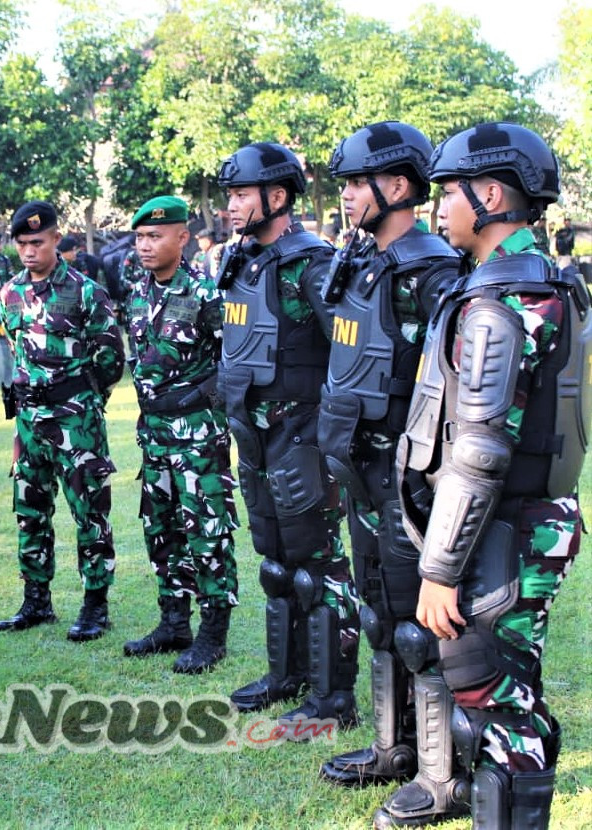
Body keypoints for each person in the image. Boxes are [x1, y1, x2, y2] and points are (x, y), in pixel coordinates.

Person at [398, 122, 588, 830]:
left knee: (492, 704)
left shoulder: (498, 304)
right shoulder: (544, 281)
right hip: (528, 518)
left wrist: (440, 568)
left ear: (491, 194)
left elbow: (479, 452)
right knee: (513, 700)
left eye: (449, 192)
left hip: (503, 526)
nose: (439, 206)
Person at [314, 123, 469, 826]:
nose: (345, 196)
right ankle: (392, 748)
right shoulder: (365, 261)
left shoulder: (432, 271)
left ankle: (442, 777)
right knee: (378, 616)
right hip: (363, 471)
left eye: (354, 184)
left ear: (397, 187)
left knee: (419, 628)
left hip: (413, 482)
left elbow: (462, 391)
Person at [214, 142, 360, 728]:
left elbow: (349, 357)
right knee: (275, 564)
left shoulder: (313, 262)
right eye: (229, 196)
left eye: (241, 195)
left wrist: (331, 439)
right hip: (254, 436)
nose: (231, 206)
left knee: (316, 567)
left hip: (302, 437)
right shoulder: (241, 260)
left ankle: (333, 698)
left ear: (277, 197)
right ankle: (288, 675)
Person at [0, 200, 125, 642]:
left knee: (90, 513)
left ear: (55, 238)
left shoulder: (86, 292)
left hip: (76, 421)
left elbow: (110, 359)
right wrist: (19, 426)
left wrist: (82, 402)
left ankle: (95, 605)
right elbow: (18, 357)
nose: (29, 251)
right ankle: (36, 600)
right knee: (30, 512)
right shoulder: (9, 293)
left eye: (37, 241)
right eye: (22, 243)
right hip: (30, 421)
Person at [121, 196, 239, 673]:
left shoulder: (207, 295)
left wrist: (204, 400)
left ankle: (213, 633)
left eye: (155, 236)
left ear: (182, 238)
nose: (145, 246)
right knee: (161, 527)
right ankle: (174, 621)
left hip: (197, 434)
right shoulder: (137, 291)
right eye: (140, 238)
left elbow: (233, 361)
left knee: (206, 529)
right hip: (153, 433)